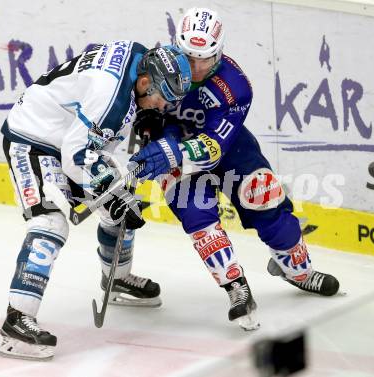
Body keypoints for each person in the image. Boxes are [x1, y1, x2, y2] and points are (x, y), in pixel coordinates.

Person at [130, 8, 340, 331]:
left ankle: (297, 270)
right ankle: (235, 287)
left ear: (220, 51)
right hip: (172, 145)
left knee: (264, 193)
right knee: (197, 213)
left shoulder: (236, 85)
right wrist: (147, 123)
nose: (197, 67)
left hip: (223, 145)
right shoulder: (160, 65)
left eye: (206, 58)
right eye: (190, 57)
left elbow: (214, 147)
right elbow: (140, 101)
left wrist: (170, 152)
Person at [0, 41, 192, 360]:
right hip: (33, 139)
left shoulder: (141, 60)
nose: (161, 106)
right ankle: (16, 321)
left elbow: (94, 135)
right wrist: (109, 190)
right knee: (51, 222)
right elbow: (77, 156)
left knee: (122, 200)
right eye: (161, 98)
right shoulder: (111, 97)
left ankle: (116, 279)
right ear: (144, 83)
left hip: (67, 134)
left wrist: (141, 119)